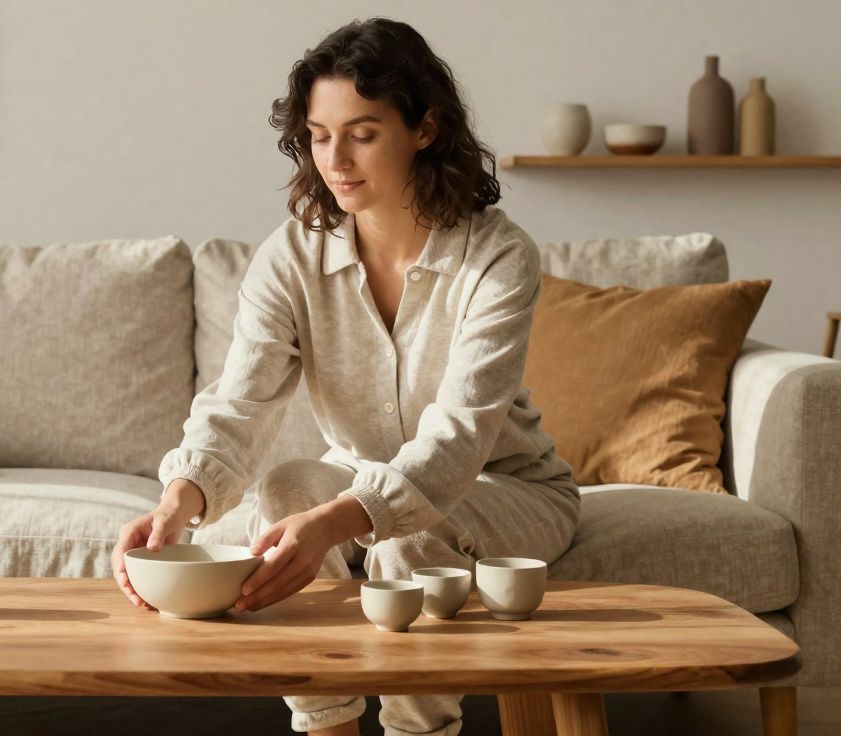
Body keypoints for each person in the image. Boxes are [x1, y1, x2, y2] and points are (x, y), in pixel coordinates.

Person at [110, 17, 580, 736]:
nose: (337, 160)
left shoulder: (498, 256)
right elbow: (240, 402)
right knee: (286, 487)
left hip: (506, 488)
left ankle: (418, 729)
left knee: (408, 534)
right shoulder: (289, 258)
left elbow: (457, 439)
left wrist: (337, 523)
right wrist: (180, 502)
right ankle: (325, 723)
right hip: (360, 475)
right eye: (318, 136)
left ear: (424, 128)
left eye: (362, 133)